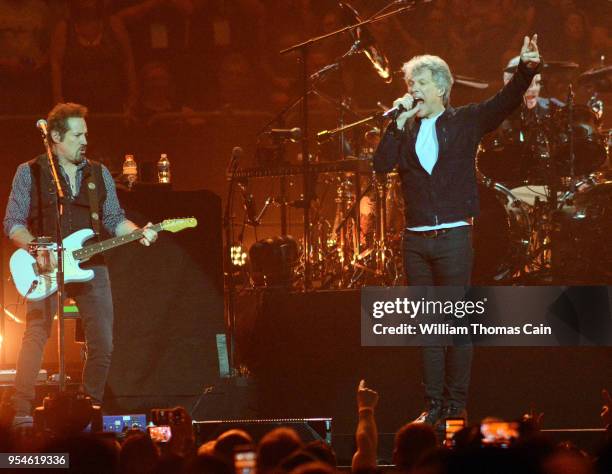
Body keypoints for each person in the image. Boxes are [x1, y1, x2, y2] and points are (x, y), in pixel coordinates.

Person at [373, 35, 541, 427]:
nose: (411, 89)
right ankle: (432, 407)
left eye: (418, 83)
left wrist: (526, 71)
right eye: (409, 84)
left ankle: (456, 405)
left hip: (453, 237)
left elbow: (503, 103)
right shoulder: (406, 129)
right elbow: (381, 166)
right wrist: (395, 126)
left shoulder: (465, 120)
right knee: (430, 327)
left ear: (440, 88)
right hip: (415, 240)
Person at [3, 102, 158, 418]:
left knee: (103, 341)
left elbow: (114, 217)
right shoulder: (29, 171)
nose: (84, 141)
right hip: (44, 263)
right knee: (36, 334)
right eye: (77, 135)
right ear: (55, 137)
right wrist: (38, 249)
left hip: (91, 262)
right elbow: (13, 223)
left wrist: (137, 231)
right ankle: (21, 409)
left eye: (86, 134)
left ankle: (89, 408)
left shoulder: (98, 173)